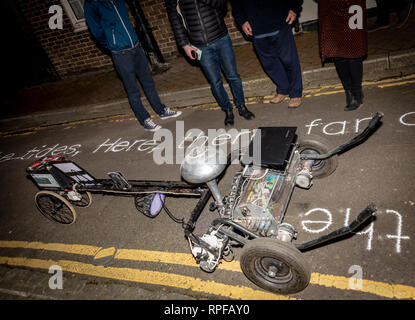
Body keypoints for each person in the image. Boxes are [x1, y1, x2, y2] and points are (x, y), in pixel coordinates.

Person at [84, 0, 181, 132]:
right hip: (121, 53)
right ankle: (144, 119)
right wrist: (113, 44)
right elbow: (96, 31)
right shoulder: (92, 4)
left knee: (148, 82)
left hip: (136, 47)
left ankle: (161, 110)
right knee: (132, 89)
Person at [165, 0, 255, 126]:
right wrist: (184, 44)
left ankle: (241, 106)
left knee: (233, 76)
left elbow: (222, 5)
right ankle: (227, 109)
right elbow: (175, 20)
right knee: (215, 82)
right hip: (200, 45)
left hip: (221, 38)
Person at [230, 0, 304, 108]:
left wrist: (294, 8)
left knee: (289, 59)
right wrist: (242, 21)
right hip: (256, 28)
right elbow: (236, 4)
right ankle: (283, 89)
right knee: (269, 64)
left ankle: (296, 94)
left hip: (280, 21)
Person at [318, 0, 367, 111]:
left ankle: (357, 91)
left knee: (354, 49)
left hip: (353, 5)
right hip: (330, 6)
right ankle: (349, 91)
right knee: (336, 50)